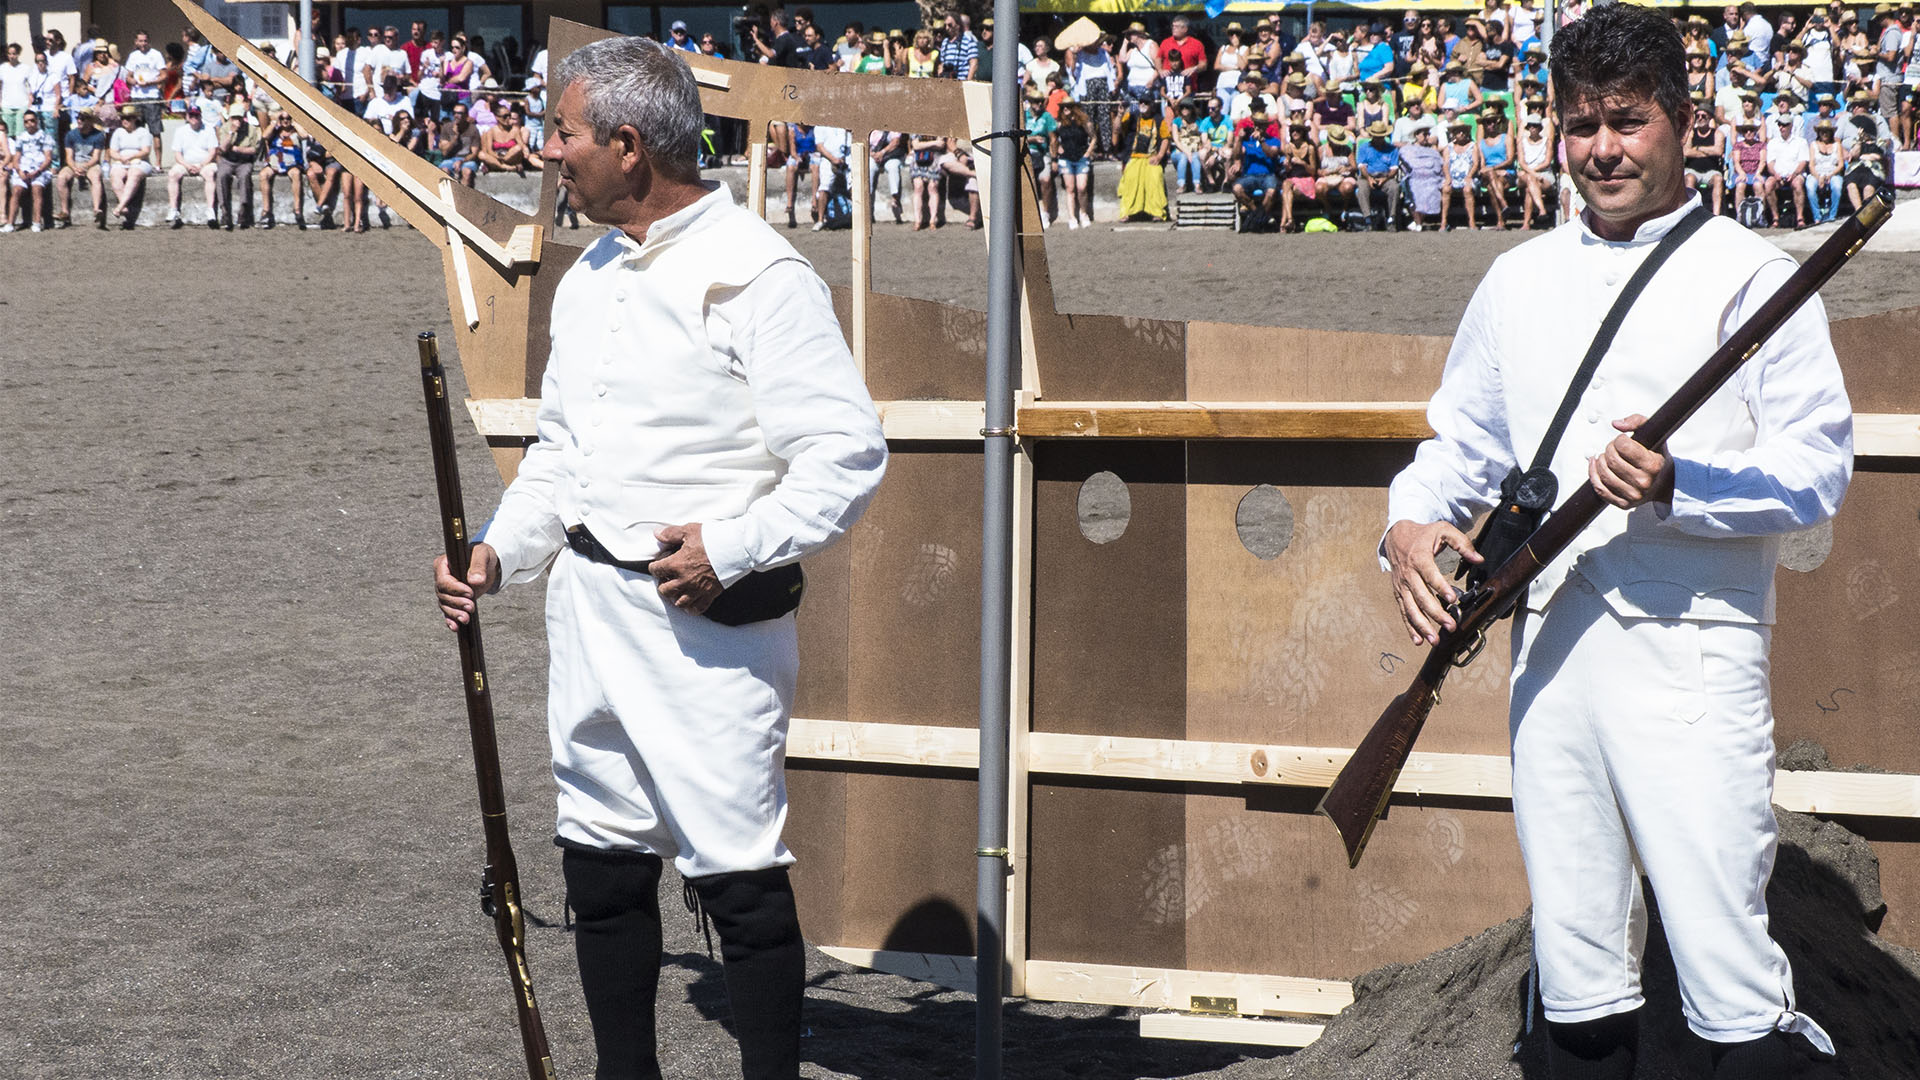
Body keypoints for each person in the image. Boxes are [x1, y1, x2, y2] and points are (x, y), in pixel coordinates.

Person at [1384, 8, 1847, 1080]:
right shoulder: (1518, 279)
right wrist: (1406, 525)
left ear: (1681, 123)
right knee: (1578, 988)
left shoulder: (1752, 275)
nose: (1601, 149)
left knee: (1737, 1001)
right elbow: (1460, 443)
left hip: (1691, 654)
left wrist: (1681, 485)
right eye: (1580, 124)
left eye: (1627, 122)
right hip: (1548, 657)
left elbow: (1818, 467)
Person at [433, 38, 885, 1080]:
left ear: (629, 148)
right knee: (600, 864)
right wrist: (500, 553)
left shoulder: (761, 278)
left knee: (738, 878)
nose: (548, 153)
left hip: (704, 637)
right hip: (587, 614)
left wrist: (733, 545)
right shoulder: (590, 275)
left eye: (565, 134)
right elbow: (563, 456)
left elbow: (847, 454)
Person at [165, 104, 219, 228]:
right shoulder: (180, 131)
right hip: (185, 163)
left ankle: (210, 210)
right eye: (191, 115)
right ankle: (173, 209)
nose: (194, 117)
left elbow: (212, 152)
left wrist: (201, 165)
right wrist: (187, 165)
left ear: (200, 116)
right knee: (172, 174)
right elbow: (177, 154)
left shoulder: (209, 129)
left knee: (210, 174)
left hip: (205, 163)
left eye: (196, 115)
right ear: (187, 116)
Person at [1115, 100, 1168, 222]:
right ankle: (1126, 212)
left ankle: (1157, 212)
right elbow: (1117, 129)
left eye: (1146, 103)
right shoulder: (1133, 117)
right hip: (1135, 157)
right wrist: (1119, 114)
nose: (1143, 105)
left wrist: (1159, 156)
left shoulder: (1159, 120)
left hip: (1152, 157)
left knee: (1155, 178)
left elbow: (1165, 139)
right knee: (1130, 178)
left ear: (1152, 106)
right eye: (1141, 102)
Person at [55, 107, 107, 229]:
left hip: (90, 164)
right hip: (74, 163)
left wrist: (84, 167)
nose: (79, 121)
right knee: (62, 177)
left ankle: (96, 209)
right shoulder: (71, 135)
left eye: (82, 119)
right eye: (78, 118)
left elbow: (95, 158)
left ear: (89, 121)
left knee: (95, 177)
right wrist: (75, 168)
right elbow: (69, 157)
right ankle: (64, 211)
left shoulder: (98, 135)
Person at [3, 106, 55, 230]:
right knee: (16, 190)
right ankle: (10, 223)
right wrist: (19, 170)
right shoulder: (21, 138)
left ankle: (36, 222)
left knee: (37, 189)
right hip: (24, 168)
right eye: (26, 121)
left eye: (32, 120)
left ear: (36, 121)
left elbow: (48, 158)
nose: (29, 124)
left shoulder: (45, 137)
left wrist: (37, 171)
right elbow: (16, 157)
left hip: (39, 169)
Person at [106, 105, 155, 229]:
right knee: (115, 175)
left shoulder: (143, 132)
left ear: (134, 119)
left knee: (134, 174)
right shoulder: (118, 132)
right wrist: (121, 158)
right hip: (121, 161)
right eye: (123, 118)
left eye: (128, 118)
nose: (125, 121)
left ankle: (120, 206)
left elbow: (145, 151)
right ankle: (124, 206)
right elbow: (112, 151)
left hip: (140, 161)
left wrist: (132, 157)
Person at [214, 100, 259, 230]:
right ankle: (225, 212)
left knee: (245, 176)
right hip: (227, 160)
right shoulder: (225, 128)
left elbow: (253, 149)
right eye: (234, 118)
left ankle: (244, 211)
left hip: (244, 161)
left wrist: (237, 149)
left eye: (239, 118)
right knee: (222, 175)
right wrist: (231, 133)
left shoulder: (251, 129)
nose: (237, 121)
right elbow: (222, 148)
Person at [257, 110, 306, 228]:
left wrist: (294, 123)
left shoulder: (295, 131)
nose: (285, 121)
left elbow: (304, 135)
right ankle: (266, 211)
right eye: (283, 118)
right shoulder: (276, 130)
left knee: (296, 173)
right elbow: (265, 136)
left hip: (292, 161)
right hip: (276, 160)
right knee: (263, 175)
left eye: (288, 118)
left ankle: (297, 209)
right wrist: (274, 121)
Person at [1762, 112, 1810, 227]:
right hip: (1778, 175)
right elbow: (1770, 163)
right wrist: (1775, 174)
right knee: (1768, 184)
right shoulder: (1773, 142)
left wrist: (1794, 174)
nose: (1781, 127)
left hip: (1795, 174)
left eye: (1784, 125)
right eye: (1779, 125)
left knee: (1797, 183)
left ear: (1791, 126)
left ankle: (1800, 217)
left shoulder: (1800, 142)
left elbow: (1803, 162)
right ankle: (1775, 217)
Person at [1355, 118, 1401, 229]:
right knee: (1362, 189)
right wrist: (1369, 178)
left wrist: (1385, 178)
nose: (1379, 139)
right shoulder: (1364, 148)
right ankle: (1368, 219)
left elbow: (1394, 169)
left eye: (1381, 136)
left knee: (1394, 187)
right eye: (1376, 136)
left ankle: (1392, 218)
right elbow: (1362, 166)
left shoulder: (1392, 149)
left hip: (1386, 176)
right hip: (1367, 176)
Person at [1054, 102, 1094, 228]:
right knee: (1070, 189)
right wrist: (1058, 148)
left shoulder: (1083, 122)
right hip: (1066, 159)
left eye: (1069, 106)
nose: (1066, 108)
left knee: (1082, 188)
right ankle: (1072, 217)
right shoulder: (1059, 123)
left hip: (1081, 157)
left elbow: (1093, 137)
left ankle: (1084, 213)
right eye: (1063, 106)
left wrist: (1088, 152)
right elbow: (1053, 138)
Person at [1440, 119, 1481, 230]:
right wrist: (1448, 177)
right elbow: (1445, 164)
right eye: (1458, 131)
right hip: (1452, 176)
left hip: (1468, 176)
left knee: (1467, 189)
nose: (1461, 133)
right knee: (1446, 189)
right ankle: (1443, 222)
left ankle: (1471, 221)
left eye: (1463, 131)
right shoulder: (1448, 147)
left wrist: (1469, 176)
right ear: (1453, 133)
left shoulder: (1473, 146)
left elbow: (1476, 163)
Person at [125, 31, 166, 135]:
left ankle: (158, 152)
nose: (143, 43)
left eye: (145, 41)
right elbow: (128, 76)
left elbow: (164, 75)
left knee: (155, 131)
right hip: (137, 96)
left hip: (152, 96)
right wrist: (133, 81)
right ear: (136, 42)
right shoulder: (133, 56)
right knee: (137, 129)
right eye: (140, 41)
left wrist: (150, 83)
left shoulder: (156, 54)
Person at [937, 14, 979, 81]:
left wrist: (968, 81)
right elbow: (941, 64)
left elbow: (974, 63)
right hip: (947, 83)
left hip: (962, 81)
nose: (947, 28)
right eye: (945, 25)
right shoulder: (945, 42)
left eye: (950, 25)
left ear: (958, 25)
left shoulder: (968, 41)